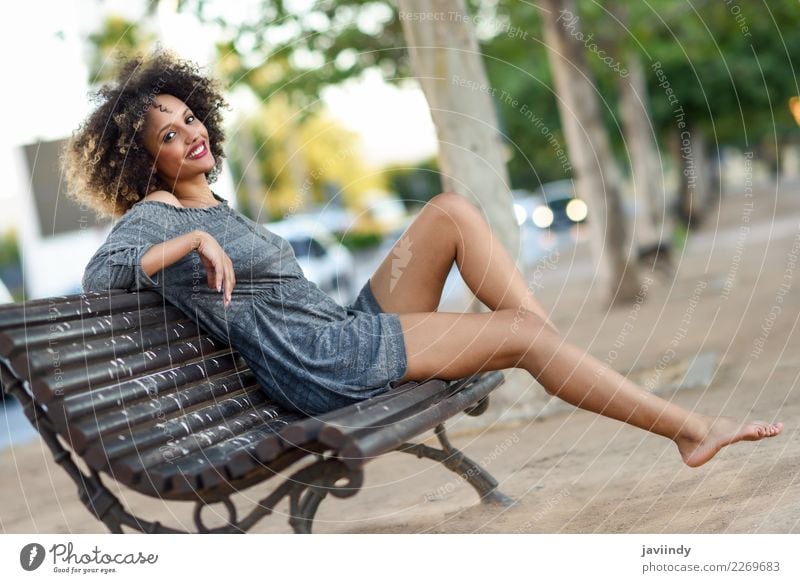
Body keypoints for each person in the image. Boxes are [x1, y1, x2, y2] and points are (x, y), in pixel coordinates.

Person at [63, 49, 782, 469]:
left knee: (451, 213)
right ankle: (687, 428)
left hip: (343, 328)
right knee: (524, 337)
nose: (189, 133)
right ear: (142, 162)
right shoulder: (157, 216)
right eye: (166, 135)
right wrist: (188, 240)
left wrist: (206, 230)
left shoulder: (215, 202)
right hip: (324, 363)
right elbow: (100, 278)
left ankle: (530, 346)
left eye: (189, 117)